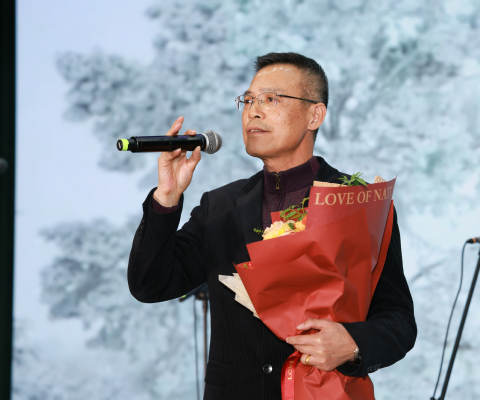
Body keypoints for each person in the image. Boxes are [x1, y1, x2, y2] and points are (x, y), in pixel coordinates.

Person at [128, 52, 416, 400]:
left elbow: (398, 320)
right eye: (248, 100)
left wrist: (352, 343)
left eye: (271, 99)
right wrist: (167, 197)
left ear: (315, 115)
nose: (253, 111)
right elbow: (150, 285)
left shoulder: (358, 202)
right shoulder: (220, 207)